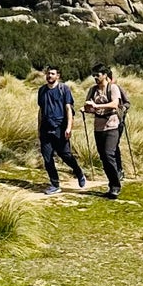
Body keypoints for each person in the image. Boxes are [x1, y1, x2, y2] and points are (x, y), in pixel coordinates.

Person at [36, 66, 86, 193]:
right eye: (48, 74)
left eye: (52, 74)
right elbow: (41, 110)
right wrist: (39, 128)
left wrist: (69, 128)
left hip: (60, 128)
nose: (49, 76)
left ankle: (78, 172)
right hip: (45, 129)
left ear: (58, 76)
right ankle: (55, 184)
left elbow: (69, 109)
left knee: (66, 155)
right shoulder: (42, 90)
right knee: (47, 158)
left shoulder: (64, 89)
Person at [84, 66, 129, 196]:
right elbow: (89, 107)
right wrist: (87, 108)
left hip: (112, 125)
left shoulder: (113, 88)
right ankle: (112, 183)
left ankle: (115, 186)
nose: (95, 77)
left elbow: (115, 104)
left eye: (97, 75)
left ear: (104, 75)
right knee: (103, 157)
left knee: (109, 154)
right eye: (94, 75)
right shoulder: (93, 90)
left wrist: (97, 106)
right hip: (98, 126)